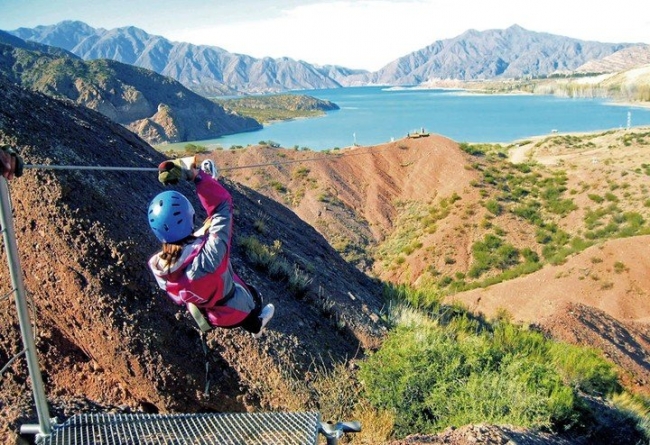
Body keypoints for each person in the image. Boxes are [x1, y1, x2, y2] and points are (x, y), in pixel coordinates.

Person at [147, 157, 274, 338]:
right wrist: (195, 175)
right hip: (234, 307)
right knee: (254, 299)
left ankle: (253, 324)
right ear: (190, 217)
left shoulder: (162, 269)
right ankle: (257, 327)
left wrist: (209, 180)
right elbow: (222, 207)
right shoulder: (209, 257)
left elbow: (195, 240)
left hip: (212, 314)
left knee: (239, 298)